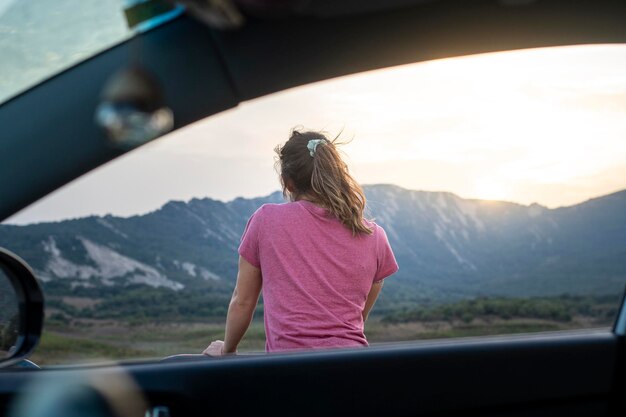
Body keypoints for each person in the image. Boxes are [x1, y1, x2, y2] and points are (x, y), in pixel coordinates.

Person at [203, 129, 398, 356]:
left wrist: (227, 350)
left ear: (288, 182)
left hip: (290, 371)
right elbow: (360, 313)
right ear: (336, 174)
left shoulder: (266, 220)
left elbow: (242, 301)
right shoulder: (373, 235)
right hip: (353, 366)